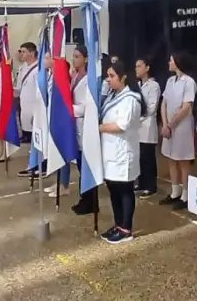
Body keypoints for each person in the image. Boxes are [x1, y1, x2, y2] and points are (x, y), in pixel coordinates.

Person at [99, 60, 145, 244]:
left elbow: (121, 125)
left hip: (122, 151)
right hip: (110, 150)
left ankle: (126, 228)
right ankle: (118, 224)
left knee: (124, 190)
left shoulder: (131, 98)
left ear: (123, 77)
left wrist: (99, 128)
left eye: (112, 76)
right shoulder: (113, 95)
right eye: (107, 76)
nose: (108, 80)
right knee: (113, 189)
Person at [158, 51, 197, 211]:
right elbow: (164, 103)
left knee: (183, 160)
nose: (169, 62)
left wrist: (171, 125)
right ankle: (175, 192)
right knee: (170, 158)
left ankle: (186, 195)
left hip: (182, 128)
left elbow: (186, 107)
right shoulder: (169, 81)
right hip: (169, 128)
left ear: (178, 62)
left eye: (171, 60)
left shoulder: (189, 82)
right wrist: (165, 124)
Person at [66, 46, 90, 205]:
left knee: (85, 166)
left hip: (84, 125)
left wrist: (68, 109)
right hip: (75, 125)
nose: (74, 59)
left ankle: (89, 199)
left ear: (85, 59)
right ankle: (84, 197)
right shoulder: (75, 76)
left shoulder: (88, 79)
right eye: (73, 56)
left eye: (77, 56)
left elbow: (85, 106)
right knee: (80, 166)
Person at [135, 57, 161, 198]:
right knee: (140, 157)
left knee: (148, 157)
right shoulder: (138, 85)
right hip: (137, 128)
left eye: (139, 66)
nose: (137, 69)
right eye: (136, 66)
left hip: (147, 126)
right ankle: (142, 182)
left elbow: (151, 108)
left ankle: (151, 186)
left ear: (147, 68)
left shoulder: (154, 86)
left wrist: (137, 117)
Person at [16, 42, 40, 177]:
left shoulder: (38, 69)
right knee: (30, 139)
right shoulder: (23, 67)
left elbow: (40, 92)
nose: (21, 54)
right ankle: (33, 163)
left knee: (36, 139)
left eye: (24, 51)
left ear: (31, 53)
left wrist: (37, 111)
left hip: (34, 108)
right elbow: (20, 88)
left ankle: (39, 166)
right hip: (24, 107)